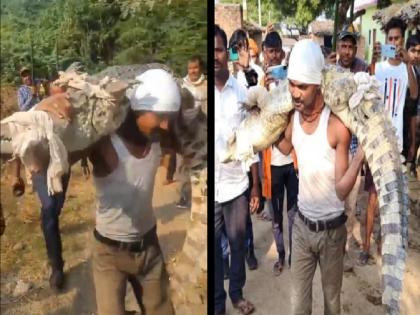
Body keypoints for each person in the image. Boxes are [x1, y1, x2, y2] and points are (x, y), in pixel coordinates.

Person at [42, 68, 178, 315]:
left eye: (169, 116)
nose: (166, 124)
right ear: (138, 108)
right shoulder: (104, 141)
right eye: (160, 116)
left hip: (150, 250)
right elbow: (53, 155)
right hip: (109, 255)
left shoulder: (160, 138)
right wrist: (48, 110)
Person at [276, 39, 364, 315]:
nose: (295, 92)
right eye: (292, 84)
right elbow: (286, 147)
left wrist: (361, 156)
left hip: (331, 233)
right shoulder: (294, 118)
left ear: (318, 85)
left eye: (302, 86)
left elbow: (340, 190)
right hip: (301, 227)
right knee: (298, 307)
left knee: (331, 304)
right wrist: (266, 131)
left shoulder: (337, 126)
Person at [361, 18, 418, 265]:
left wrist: (407, 63)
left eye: (397, 39)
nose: (393, 43)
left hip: (396, 145)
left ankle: (383, 243)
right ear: (386, 41)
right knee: (373, 197)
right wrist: (373, 60)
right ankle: (365, 246)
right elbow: (367, 86)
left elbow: (414, 94)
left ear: (403, 40)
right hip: (377, 142)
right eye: (390, 39)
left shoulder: (407, 69)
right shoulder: (380, 67)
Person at [215, 24, 260, 315]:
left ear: (225, 53)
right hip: (211, 188)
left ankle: (236, 294)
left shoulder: (240, 90)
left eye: (218, 49)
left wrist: (256, 185)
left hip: (237, 186)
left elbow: (251, 139)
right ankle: (217, 304)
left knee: (237, 244)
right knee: (215, 251)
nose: (214, 56)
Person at [12, 73, 70, 292]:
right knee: (48, 209)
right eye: (56, 91)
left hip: (61, 168)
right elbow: (18, 145)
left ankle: (52, 232)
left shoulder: (67, 111)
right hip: (39, 167)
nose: (59, 97)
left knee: (56, 208)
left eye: (61, 91)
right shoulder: (31, 113)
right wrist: (16, 175)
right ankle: (56, 266)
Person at [327, 30, 369, 270]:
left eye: (350, 47)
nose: (346, 51)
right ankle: (333, 247)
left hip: (353, 147)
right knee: (332, 201)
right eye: (343, 46)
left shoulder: (361, 70)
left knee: (350, 204)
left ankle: (343, 250)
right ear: (338, 47)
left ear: (355, 49)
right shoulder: (329, 70)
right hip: (332, 147)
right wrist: (327, 70)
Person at [260, 31, 299, 275]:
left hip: (291, 160)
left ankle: (295, 257)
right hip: (271, 164)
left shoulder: (290, 81)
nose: (274, 56)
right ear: (265, 53)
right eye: (270, 51)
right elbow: (255, 120)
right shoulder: (258, 84)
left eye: (277, 51)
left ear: (282, 54)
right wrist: (261, 91)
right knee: (276, 218)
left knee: (293, 214)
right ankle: (281, 256)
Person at [175, 55, 208, 207]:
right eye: (190, 68)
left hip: (202, 130)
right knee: (183, 164)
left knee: (202, 163)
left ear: (200, 68)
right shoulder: (181, 85)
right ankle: (184, 195)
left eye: (195, 68)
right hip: (185, 131)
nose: (192, 71)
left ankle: (201, 193)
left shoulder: (207, 84)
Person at [403, 34, 420, 175]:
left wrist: (413, 143)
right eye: (413, 51)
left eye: (419, 52)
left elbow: (413, 111)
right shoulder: (396, 70)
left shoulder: (416, 73)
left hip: (406, 135)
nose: (416, 55)